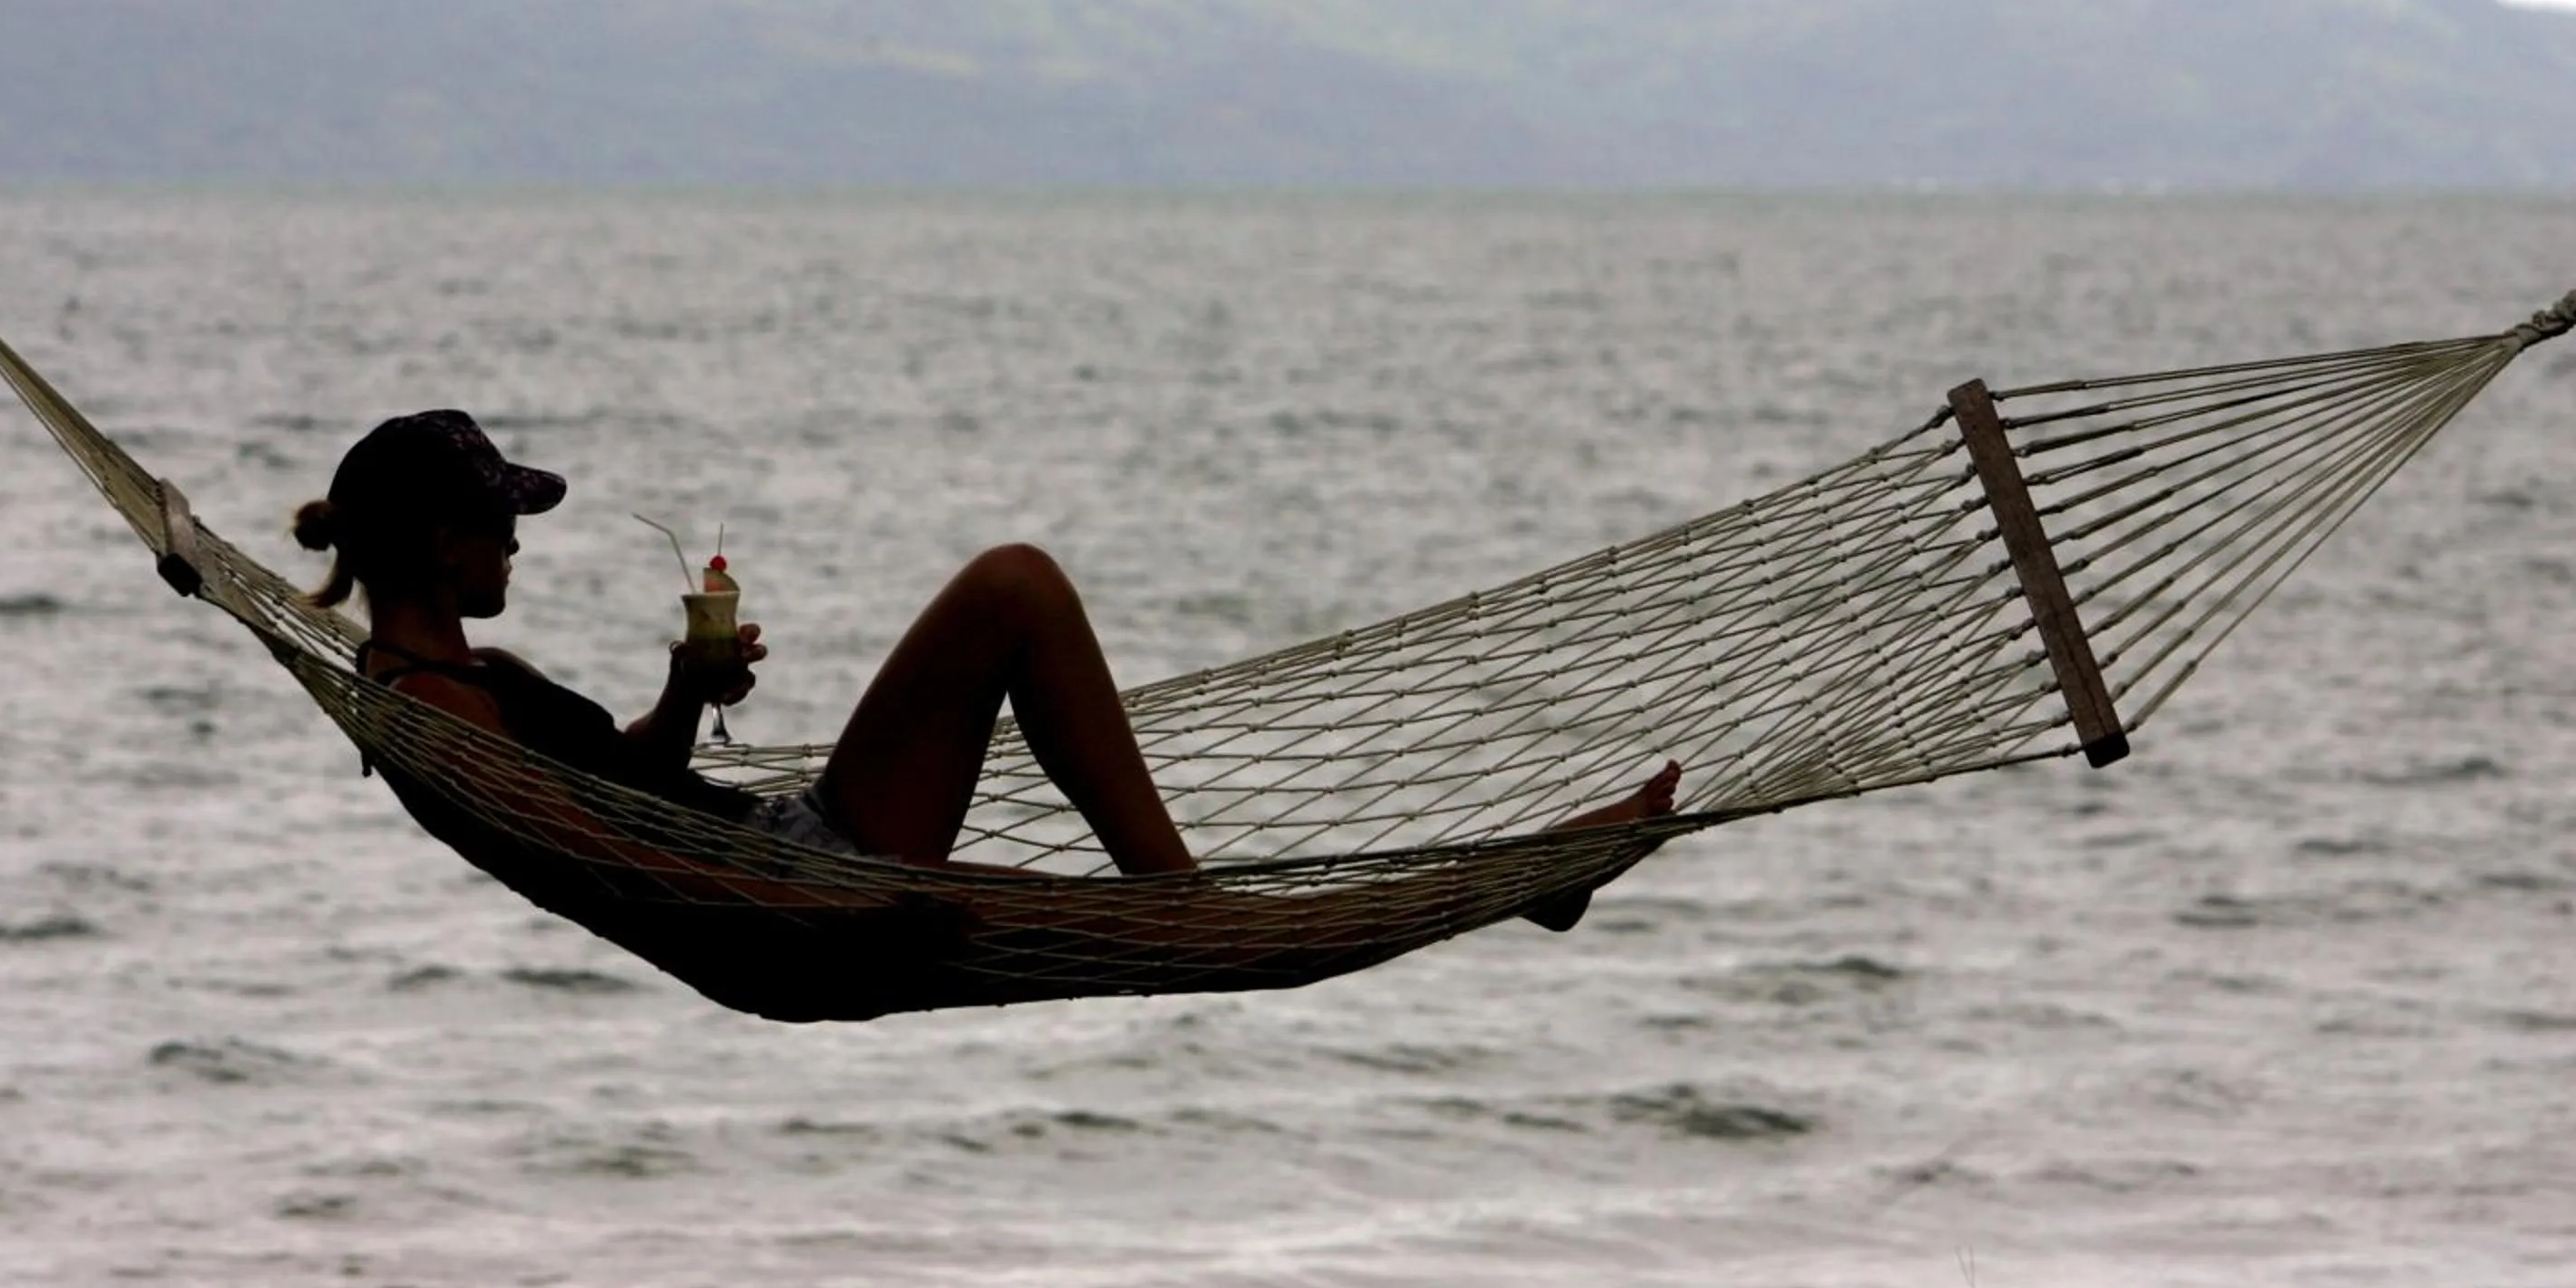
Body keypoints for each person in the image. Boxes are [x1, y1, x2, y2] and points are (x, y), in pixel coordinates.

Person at [291, 411, 1677, 891]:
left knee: (1016, 589)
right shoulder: (437, 712)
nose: (516, 544)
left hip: (781, 841)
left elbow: (617, 791)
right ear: (427, 542)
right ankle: (1177, 902)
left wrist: (683, 693)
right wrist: (862, 912)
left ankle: (1517, 884)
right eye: (494, 525)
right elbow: (609, 861)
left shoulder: (468, 683)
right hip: (789, 882)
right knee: (1015, 587)